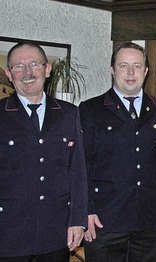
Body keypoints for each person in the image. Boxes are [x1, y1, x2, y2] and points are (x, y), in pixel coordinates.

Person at [80, 42, 156, 261]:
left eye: (137, 66)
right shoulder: (90, 110)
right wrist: (85, 210)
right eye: (123, 65)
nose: (130, 72)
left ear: (146, 71)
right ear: (112, 70)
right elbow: (81, 166)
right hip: (103, 220)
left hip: (148, 219)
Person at [0, 42, 87, 261]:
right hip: (8, 233)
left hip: (55, 232)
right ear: (9, 74)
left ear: (47, 69)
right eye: (18, 66)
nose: (27, 72)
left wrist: (77, 220)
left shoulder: (69, 113)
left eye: (33, 64)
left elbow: (77, 171)